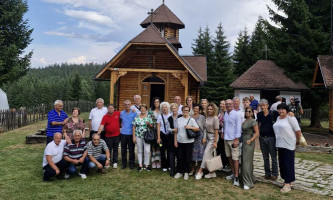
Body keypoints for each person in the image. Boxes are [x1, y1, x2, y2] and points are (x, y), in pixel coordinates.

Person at [273, 103, 302, 193]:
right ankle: (288, 180)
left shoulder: (291, 118)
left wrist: (298, 140)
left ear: (287, 110)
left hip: (289, 143)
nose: (281, 111)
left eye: (283, 109)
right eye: (279, 109)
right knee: (282, 163)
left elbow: (298, 130)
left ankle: (287, 183)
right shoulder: (278, 118)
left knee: (288, 163)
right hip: (280, 143)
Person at [174, 105, 199, 180]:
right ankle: (179, 171)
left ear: (189, 111)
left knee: (187, 158)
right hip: (180, 141)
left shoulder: (191, 119)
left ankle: (186, 172)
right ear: (182, 111)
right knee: (180, 157)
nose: (186, 112)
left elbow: (197, 129)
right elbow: (176, 131)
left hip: (189, 142)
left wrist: (190, 127)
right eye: (184, 110)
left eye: (187, 110)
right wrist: (175, 141)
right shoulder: (178, 120)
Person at [195, 103, 219, 180]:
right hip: (207, 136)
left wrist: (215, 141)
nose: (209, 110)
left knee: (206, 153)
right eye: (208, 109)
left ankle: (200, 171)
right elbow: (205, 128)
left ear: (214, 110)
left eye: (211, 109)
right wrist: (205, 137)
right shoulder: (207, 117)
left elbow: (216, 131)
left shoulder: (215, 118)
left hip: (213, 137)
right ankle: (212, 172)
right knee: (209, 156)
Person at [257, 99, 279, 181]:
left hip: (271, 137)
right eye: (261, 106)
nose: (262, 107)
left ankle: (275, 174)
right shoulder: (259, 114)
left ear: (267, 106)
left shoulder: (274, 113)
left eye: (264, 105)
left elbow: (284, 115)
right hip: (262, 137)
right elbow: (259, 124)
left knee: (273, 157)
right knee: (265, 157)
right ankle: (267, 173)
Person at [223, 99, 242, 186]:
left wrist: (236, 139)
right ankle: (233, 173)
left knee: (235, 158)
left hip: (233, 139)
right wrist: (223, 132)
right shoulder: (225, 114)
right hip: (226, 138)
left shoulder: (236, 114)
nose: (228, 105)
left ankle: (237, 177)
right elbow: (224, 124)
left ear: (233, 104)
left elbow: (238, 128)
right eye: (226, 104)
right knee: (229, 157)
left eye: (230, 104)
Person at [97, 104, 121, 169]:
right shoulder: (105, 117)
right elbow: (101, 126)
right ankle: (108, 162)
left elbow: (125, 113)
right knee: (108, 150)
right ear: (107, 109)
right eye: (109, 108)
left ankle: (115, 162)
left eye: (112, 108)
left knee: (115, 149)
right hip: (108, 136)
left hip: (117, 135)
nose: (110, 109)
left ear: (114, 109)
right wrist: (97, 134)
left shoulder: (118, 113)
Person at [241, 107, 259, 190]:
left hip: (249, 142)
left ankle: (248, 182)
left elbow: (257, 133)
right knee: (245, 160)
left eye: (249, 111)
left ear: (252, 113)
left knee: (246, 161)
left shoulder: (253, 121)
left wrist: (251, 140)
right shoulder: (245, 121)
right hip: (244, 141)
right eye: (246, 111)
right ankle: (249, 178)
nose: (247, 112)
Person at [132, 104, 153, 171]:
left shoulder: (149, 117)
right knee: (139, 150)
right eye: (141, 108)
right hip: (138, 136)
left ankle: (146, 165)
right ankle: (140, 164)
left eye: (144, 108)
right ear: (140, 109)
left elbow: (152, 126)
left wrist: (149, 124)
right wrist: (134, 137)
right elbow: (134, 127)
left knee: (147, 150)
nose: (143, 109)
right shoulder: (137, 117)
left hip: (147, 136)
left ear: (146, 109)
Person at [190, 103, 206, 177]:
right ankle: (192, 169)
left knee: (200, 154)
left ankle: (198, 169)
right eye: (194, 108)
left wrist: (204, 137)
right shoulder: (190, 117)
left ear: (199, 110)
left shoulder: (202, 117)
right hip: (192, 137)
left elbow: (205, 128)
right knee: (192, 154)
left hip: (200, 137)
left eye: (197, 108)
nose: (195, 109)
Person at [120, 100, 137, 169]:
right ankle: (124, 164)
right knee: (123, 150)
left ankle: (131, 163)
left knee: (131, 150)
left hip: (131, 134)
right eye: (126, 104)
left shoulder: (134, 113)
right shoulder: (121, 113)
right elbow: (119, 121)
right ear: (124, 105)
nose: (127, 106)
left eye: (128, 104)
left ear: (130, 105)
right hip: (123, 133)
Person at [157, 102, 172, 172]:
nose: (164, 109)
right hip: (162, 134)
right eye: (163, 107)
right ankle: (164, 165)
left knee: (169, 150)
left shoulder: (171, 115)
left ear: (168, 108)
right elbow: (158, 126)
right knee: (162, 150)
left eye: (166, 107)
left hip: (169, 135)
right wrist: (158, 137)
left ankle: (169, 165)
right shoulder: (160, 116)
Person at [217, 100, 230, 172]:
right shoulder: (219, 112)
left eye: (223, 104)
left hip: (223, 133)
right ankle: (220, 164)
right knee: (219, 149)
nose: (222, 105)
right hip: (218, 132)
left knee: (224, 150)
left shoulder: (226, 113)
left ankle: (225, 164)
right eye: (221, 104)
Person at [167, 103, 180, 176]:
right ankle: (172, 169)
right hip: (171, 138)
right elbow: (168, 128)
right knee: (171, 154)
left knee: (179, 154)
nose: (174, 110)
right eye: (172, 108)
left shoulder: (181, 117)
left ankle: (178, 169)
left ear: (177, 109)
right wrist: (173, 130)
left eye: (175, 108)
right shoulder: (169, 118)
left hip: (180, 138)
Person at [149, 97, 161, 169]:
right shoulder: (151, 110)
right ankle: (153, 161)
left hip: (160, 130)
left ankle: (158, 161)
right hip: (153, 130)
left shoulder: (161, 110)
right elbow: (149, 119)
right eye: (155, 102)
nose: (156, 103)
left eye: (157, 102)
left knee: (159, 145)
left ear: (159, 103)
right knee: (153, 146)